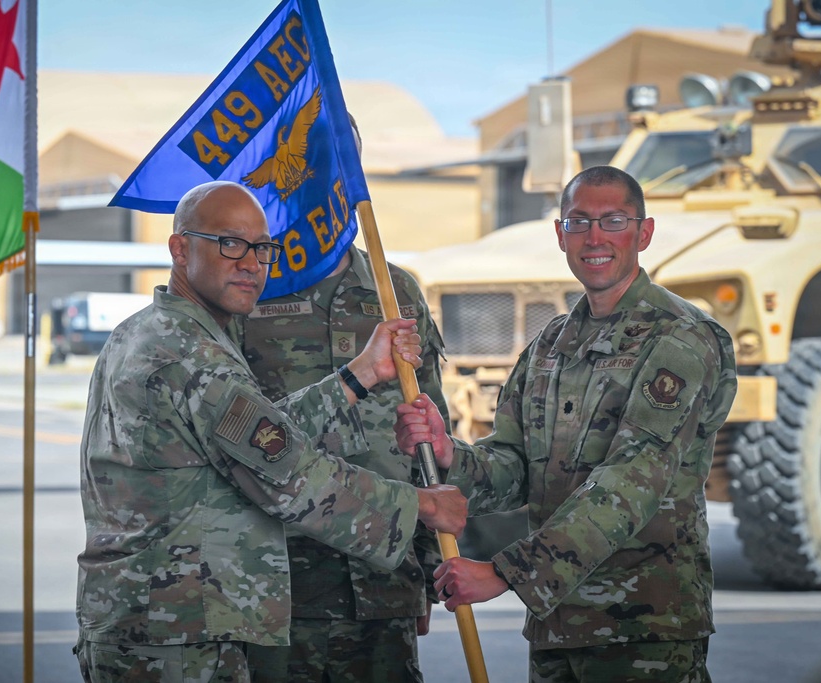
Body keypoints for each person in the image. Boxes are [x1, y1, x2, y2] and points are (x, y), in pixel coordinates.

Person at [75, 180, 468, 683]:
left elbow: (255, 438)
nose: (251, 263)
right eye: (229, 243)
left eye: (262, 248)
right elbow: (287, 474)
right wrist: (423, 507)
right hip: (179, 636)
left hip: (167, 624)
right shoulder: (193, 356)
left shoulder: (152, 331)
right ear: (179, 248)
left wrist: (359, 376)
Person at [395, 165, 738, 683]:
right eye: (579, 223)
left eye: (613, 221)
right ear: (560, 235)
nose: (594, 238)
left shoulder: (681, 340)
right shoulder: (550, 346)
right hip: (559, 628)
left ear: (643, 233)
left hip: (642, 630)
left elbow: (631, 482)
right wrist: (450, 456)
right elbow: (515, 465)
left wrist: (507, 574)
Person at [241, 116, 451, 682]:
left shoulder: (395, 290)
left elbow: (428, 435)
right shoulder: (251, 288)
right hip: (281, 585)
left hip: (384, 579)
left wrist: (430, 566)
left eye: (341, 162)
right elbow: (237, 438)